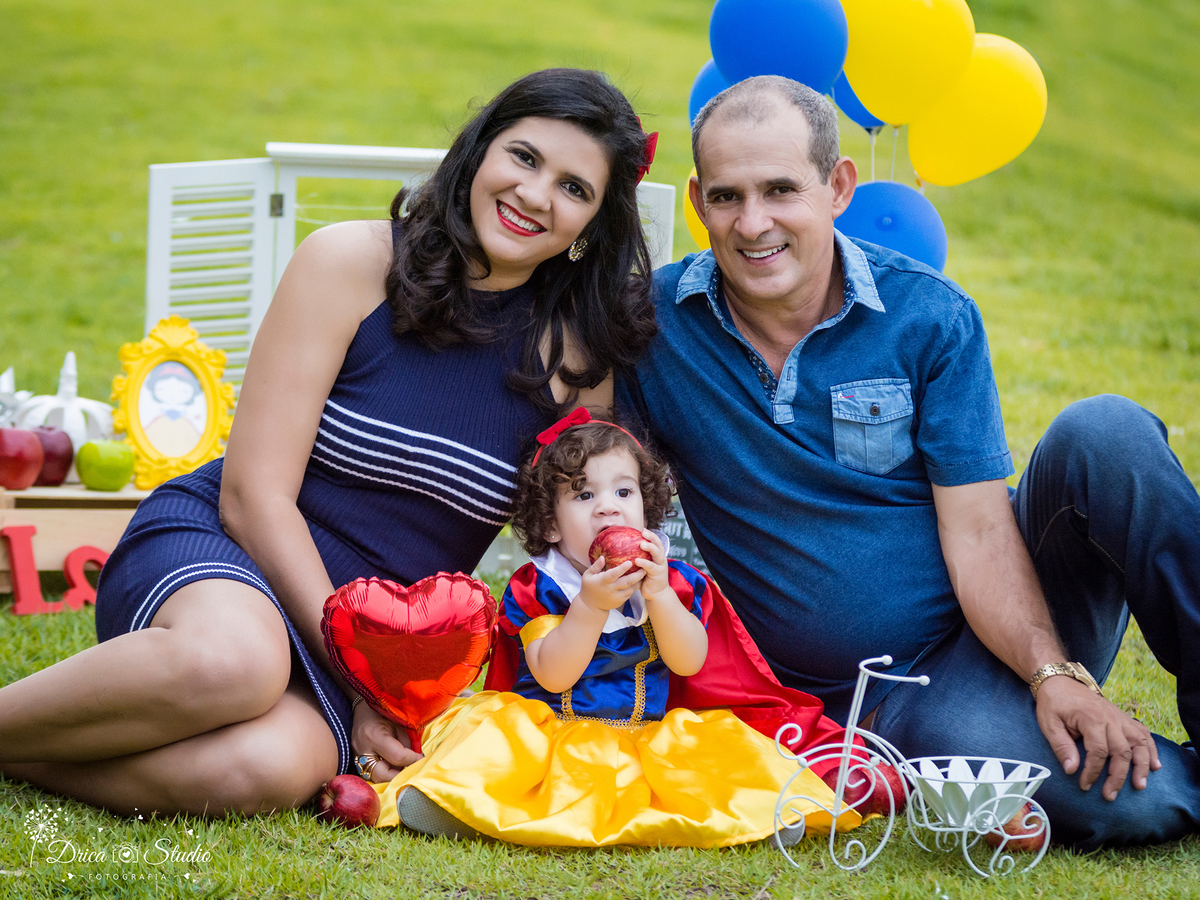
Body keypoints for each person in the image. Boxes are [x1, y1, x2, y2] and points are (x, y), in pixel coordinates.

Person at [0, 68, 659, 817]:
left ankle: (25, 753)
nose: (537, 195)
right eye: (525, 157)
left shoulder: (576, 366)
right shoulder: (352, 264)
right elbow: (254, 497)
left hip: (381, 637)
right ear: (479, 152)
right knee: (236, 664)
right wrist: (358, 676)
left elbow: (565, 546)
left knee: (266, 770)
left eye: (575, 188)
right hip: (226, 555)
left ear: (593, 226)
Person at [616, 74, 1200, 849]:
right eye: (726, 197)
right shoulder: (653, 332)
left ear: (838, 187)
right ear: (695, 201)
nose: (752, 224)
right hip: (901, 696)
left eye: (781, 189)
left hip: (1011, 604)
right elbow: (583, 463)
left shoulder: (928, 316)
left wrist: (1051, 672)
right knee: (1137, 807)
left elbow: (983, 533)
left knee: (1109, 434)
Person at [370, 411, 859, 846]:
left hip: (647, 733)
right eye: (584, 495)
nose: (608, 507)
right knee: (502, 755)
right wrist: (588, 606)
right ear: (552, 526)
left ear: (645, 508)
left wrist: (661, 597)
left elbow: (690, 660)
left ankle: (761, 815)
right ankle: (455, 806)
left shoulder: (674, 582)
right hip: (553, 730)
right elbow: (552, 673)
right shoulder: (542, 587)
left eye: (623, 492)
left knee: (710, 762)